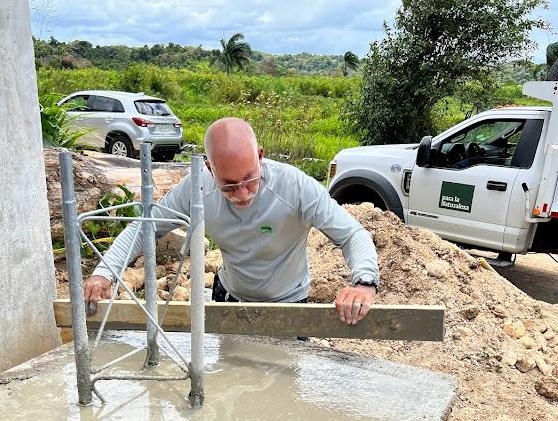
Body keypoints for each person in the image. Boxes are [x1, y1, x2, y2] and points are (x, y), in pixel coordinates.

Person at [83, 117, 379, 325]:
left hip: (288, 302)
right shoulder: (197, 187)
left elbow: (352, 234)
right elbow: (145, 227)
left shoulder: (296, 188)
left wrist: (364, 282)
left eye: (249, 178)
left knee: (284, 389)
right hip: (230, 298)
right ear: (210, 169)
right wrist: (104, 272)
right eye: (229, 185)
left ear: (259, 156)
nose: (242, 193)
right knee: (230, 383)